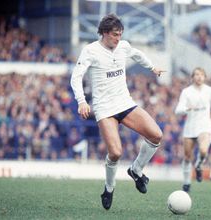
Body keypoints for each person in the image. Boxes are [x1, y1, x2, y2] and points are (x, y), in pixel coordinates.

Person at [70, 14, 165, 210]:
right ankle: (109, 188)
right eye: (114, 35)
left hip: (125, 103)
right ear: (104, 33)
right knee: (115, 153)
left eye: (120, 34)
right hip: (104, 108)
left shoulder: (123, 46)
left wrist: (152, 68)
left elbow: (137, 54)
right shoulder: (90, 50)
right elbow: (76, 76)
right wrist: (81, 101)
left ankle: (136, 171)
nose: (118, 38)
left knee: (156, 135)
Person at [175, 67, 211, 192]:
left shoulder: (210, 91)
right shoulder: (186, 92)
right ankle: (186, 182)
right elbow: (177, 110)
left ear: (205, 77)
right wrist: (186, 109)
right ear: (192, 77)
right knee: (187, 156)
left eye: (201, 74)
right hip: (190, 127)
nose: (199, 77)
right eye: (196, 74)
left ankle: (199, 165)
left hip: (204, 125)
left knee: (204, 151)